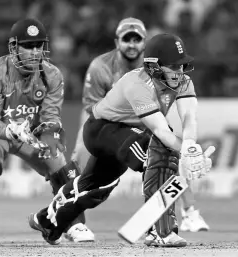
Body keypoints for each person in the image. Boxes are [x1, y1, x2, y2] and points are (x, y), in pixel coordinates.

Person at [28, 33, 214, 247]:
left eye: (182, 66)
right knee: (160, 151)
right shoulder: (137, 84)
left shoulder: (184, 82)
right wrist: (185, 154)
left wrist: (191, 148)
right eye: (173, 66)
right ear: (154, 66)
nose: (179, 72)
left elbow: (189, 118)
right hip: (102, 130)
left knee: (96, 189)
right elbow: (161, 131)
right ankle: (159, 231)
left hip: (127, 134)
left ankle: (47, 221)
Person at [0, 18, 94, 244]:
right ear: (14, 48)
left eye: (38, 45)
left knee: (63, 168)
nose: (34, 52)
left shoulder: (52, 75)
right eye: (28, 46)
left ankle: (73, 224)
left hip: (32, 135)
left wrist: (50, 133)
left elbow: (50, 116)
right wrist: (9, 131)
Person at [72, 17, 209, 234]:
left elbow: (188, 118)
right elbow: (92, 108)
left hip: (148, 121)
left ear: (145, 44)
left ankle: (186, 213)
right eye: (127, 39)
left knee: (172, 153)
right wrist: (181, 148)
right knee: (80, 157)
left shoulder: (165, 65)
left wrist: (189, 146)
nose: (132, 44)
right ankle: (75, 222)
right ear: (117, 42)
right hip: (107, 124)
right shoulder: (102, 67)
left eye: (137, 39)